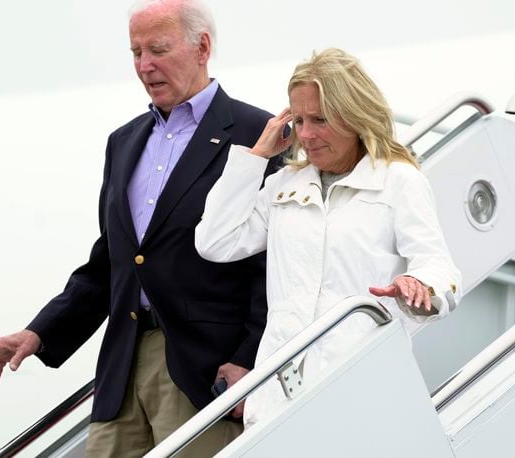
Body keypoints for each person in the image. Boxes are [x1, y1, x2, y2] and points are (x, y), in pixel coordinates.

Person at [0, 0, 278, 455]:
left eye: (158, 49)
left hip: (204, 369)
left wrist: (247, 359)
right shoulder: (123, 141)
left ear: (203, 47)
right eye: (136, 52)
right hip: (121, 364)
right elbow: (111, 263)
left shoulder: (257, 132)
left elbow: (271, 263)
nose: (145, 65)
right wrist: (39, 333)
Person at [195, 48, 462, 428]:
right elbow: (214, 241)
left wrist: (420, 284)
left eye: (320, 119)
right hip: (277, 397)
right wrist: (255, 157)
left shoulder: (398, 181)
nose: (306, 134)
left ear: (353, 114)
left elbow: (439, 266)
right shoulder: (283, 185)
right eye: (299, 120)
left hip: (357, 389)